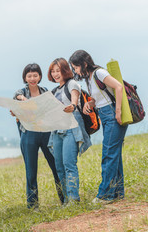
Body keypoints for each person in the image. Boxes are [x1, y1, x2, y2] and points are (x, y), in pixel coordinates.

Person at [69, 50, 128, 204]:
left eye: (75, 67)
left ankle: (105, 195)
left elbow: (118, 87)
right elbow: (99, 98)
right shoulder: (89, 79)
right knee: (113, 155)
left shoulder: (99, 73)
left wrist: (118, 112)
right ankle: (117, 193)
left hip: (112, 115)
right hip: (104, 115)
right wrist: (90, 103)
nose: (75, 70)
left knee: (108, 154)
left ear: (84, 64)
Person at [11, 63, 64, 209]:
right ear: (25, 77)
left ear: (40, 76)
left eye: (35, 75)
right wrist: (22, 101)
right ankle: (33, 205)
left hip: (46, 132)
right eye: (29, 76)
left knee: (56, 166)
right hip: (29, 135)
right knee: (31, 170)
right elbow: (15, 103)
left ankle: (64, 198)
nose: (32, 78)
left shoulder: (45, 91)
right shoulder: (20, 93)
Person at [47, 58, 91, 204]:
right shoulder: (54, 91)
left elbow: (74, 99)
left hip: (71, 128)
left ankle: (74, 199)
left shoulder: (72, 84)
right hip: (57, 130)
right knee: (59, 167)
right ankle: (66, 200)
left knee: (69, 164)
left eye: (58, 70)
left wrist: (72, 105)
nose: (55, 74)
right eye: (53, 71)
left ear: (65, 70)